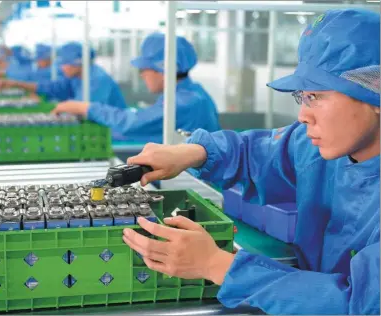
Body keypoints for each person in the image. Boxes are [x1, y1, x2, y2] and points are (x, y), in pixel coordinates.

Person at [122, 9, 380, 315]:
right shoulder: (316, 148)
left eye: (316, 96)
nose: (302, 115)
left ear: (373, 91)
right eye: (302, 97)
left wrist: (217, 264)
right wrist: (191, 152)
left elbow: (359, 305)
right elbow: (254, 152)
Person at [52, 32, 221, 143]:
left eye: (144, 69)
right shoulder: (188, 93)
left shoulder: (186, 102)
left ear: (165, 67)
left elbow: (132, 123)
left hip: (199, 185)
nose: (141, 75)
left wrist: (84, 107)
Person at [0, 42, 127, 108]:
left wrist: (57, 106)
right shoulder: (75, 78)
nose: (61, 67)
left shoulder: (97, 80)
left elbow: (85, 109)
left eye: (65, 63)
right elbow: (52, 87)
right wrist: (15, 84)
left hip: (113, 135)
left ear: (78, 63)